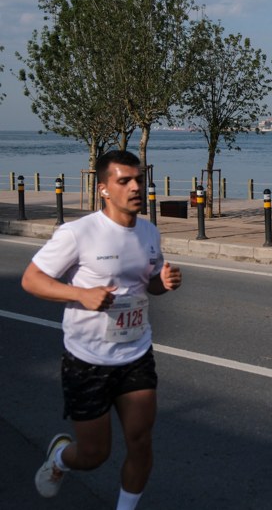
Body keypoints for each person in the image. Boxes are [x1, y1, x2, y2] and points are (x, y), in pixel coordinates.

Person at [22, 150, 181, 510]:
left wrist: (164, 282)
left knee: (140, 442)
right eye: (124, 180)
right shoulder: (77, 233)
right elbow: (32, 280)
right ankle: (61, 459)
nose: (135, 186)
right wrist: (80, 294)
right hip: (87, 359)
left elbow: (148, 286)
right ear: (104, 189)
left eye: (139, 179)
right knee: (94, 454)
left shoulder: (149, 231)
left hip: (136, 352)